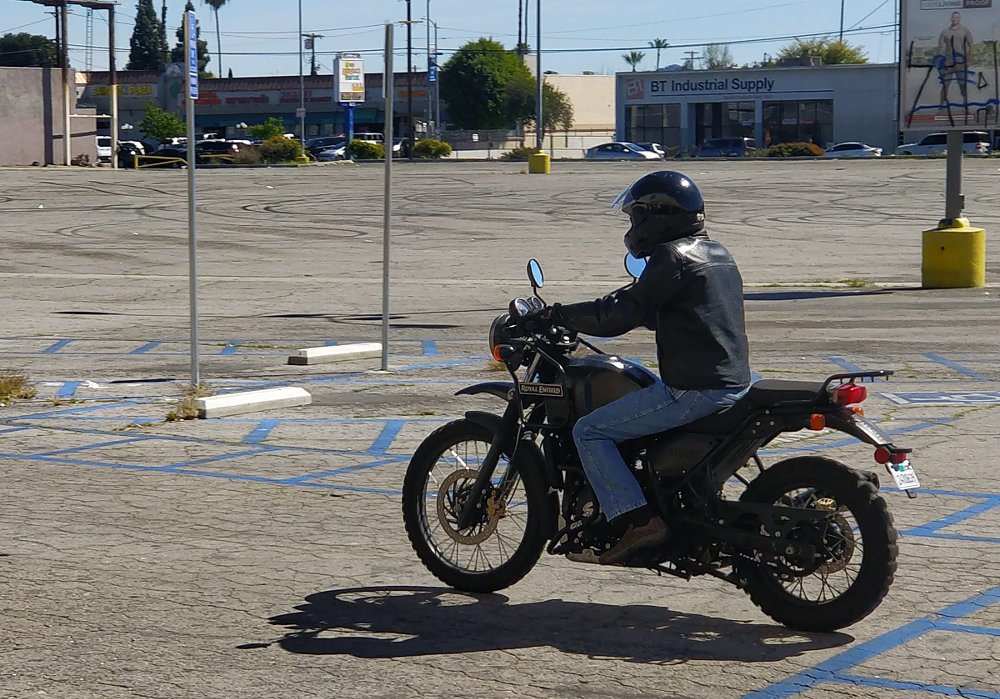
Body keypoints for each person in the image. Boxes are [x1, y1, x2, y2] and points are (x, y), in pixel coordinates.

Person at [543, 171, 751, 565]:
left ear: (657, 215)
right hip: (732, 383)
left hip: (693, 389)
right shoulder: (719, 254)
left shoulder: (671, 256)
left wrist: (560, 314)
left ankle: (637, 520)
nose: (634, 226)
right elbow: (678, 311)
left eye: (636, 216)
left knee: (589, 431)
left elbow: (618, 315)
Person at [937, 11, 974, 112]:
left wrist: (969, 60)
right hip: (948, 63)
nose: (954, 19)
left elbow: (971, 46)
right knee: (945, 85)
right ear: (951, 18)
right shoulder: (945, 32)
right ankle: (941, 106)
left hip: (961, 63)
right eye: (953, 18)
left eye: (956, 18)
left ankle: (966, 106)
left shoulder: (965, 31)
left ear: (959, 19)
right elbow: (940, 47)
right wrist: (940, 60)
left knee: (962, 85)